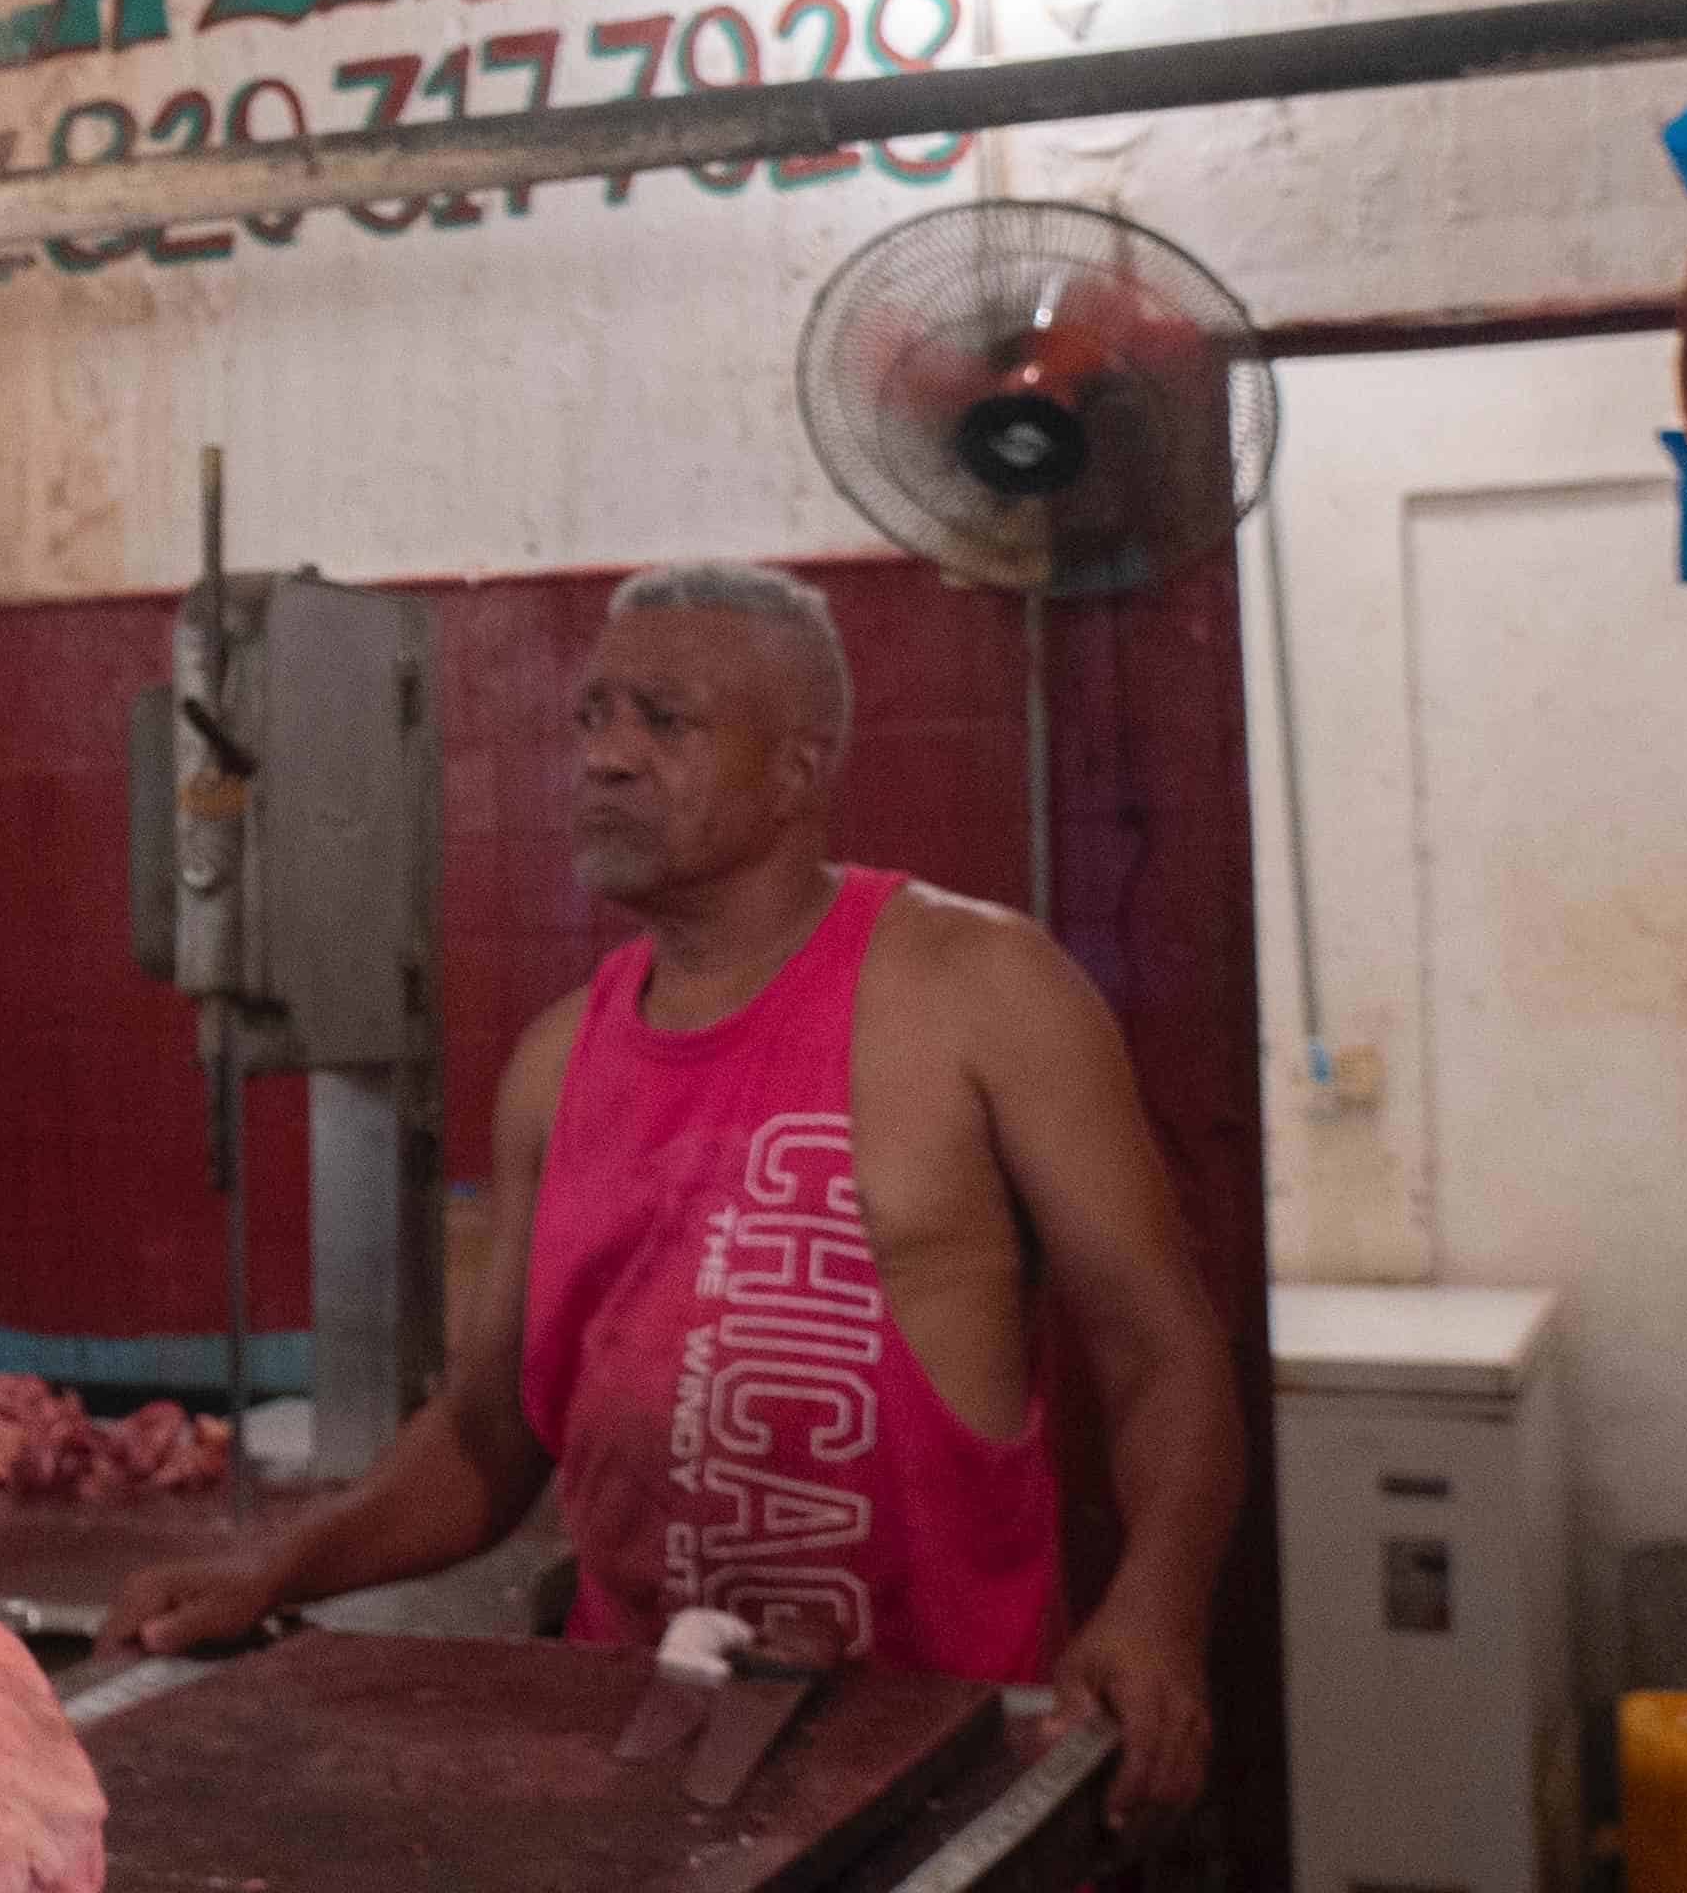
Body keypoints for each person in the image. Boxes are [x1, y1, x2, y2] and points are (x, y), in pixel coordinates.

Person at [99, 562, 1244, 1833]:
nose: (606, 756)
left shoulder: (979, 988)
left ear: (800, 770)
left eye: (664, 719)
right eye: (592, 715)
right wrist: (273, 1571)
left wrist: (1157, 1606)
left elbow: (1163, 1357)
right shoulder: (555, 1060)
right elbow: (487, 1432)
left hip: (935, 1767)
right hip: (646, 1771)